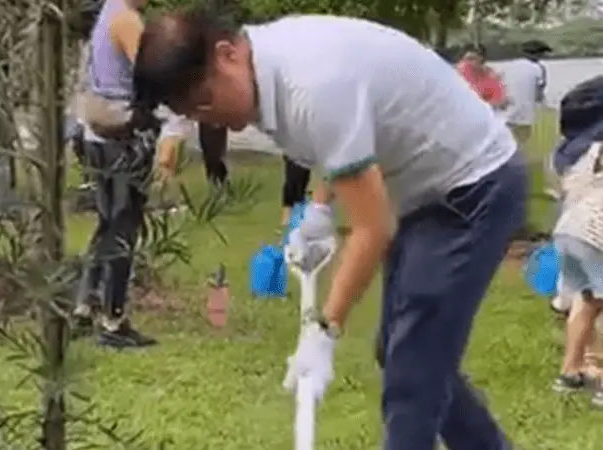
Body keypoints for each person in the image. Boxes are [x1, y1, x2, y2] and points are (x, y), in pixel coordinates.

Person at [134, 11, 524, 449]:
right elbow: (338, 141)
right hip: (424, 190)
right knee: (405, 352)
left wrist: (326, 330)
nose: (210, 118)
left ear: (226, 54)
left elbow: (373, 229)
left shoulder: (310, 82)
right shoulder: (264, 63)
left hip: (474, 188)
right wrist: (319, 209)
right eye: (193, 114)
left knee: (413, 370)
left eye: (206, 100)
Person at [73, 0, 157, 348]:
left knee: (107, 223)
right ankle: (113, 320)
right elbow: (153, 75)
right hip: (123, 139)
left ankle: (84, 305)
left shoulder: (106, 11)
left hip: (96, 134)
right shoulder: (125, 19)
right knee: (123, 227)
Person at [548, 75, 603, 401]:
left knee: (586, 300)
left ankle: (570, 373)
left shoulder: (575, 151)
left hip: (569, 229)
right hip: (597, 232)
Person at [500, 44, 548, 148]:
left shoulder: (508, 65)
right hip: (524, 113)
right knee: (522, 142)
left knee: (506, 142)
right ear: (538, 54)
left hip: (505, 111)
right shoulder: (538, 68)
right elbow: (539, 95)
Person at [456, 44, 507, 111]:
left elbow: (500, 102)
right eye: (464, 60)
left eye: (471, 59)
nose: (467, 63)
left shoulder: (491, 78)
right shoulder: (459, 74)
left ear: (481, 59)